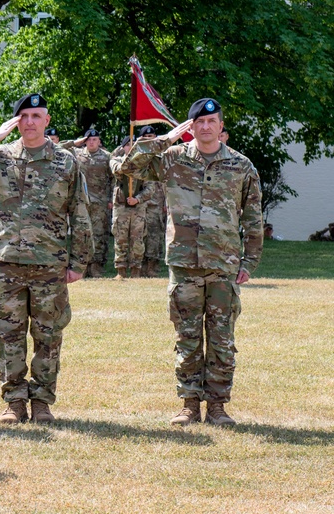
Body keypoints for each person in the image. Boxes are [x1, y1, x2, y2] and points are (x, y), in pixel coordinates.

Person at [114, 98, 262, 426]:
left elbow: (253, 216)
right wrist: (164, 140)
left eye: (212, 121)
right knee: (187, 337)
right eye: (199, 122)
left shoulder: (241, 165)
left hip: (222, 265)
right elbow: (127, 167)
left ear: (221, 127)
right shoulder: (171, 159)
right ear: (190, 127)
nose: (206, 127)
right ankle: (190, 405)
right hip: (183, 263)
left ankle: (219, 406)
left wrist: (249, 261)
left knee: (222, 338)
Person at [0, 93, 92, 424]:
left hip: (49, 263)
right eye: (23, 116)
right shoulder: (0, 156)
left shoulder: (66, 161)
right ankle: (14, 401)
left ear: (46, 120)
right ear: (17, 121)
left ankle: (42, 402)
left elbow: (81, 212)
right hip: (7, 261)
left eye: (36, 116)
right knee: (8, 333)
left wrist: (79, 261)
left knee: (49, 334)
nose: (29, 122)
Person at [59, 128, 113, 277]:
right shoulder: (77, 154)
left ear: (99, 141)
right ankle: (81, 266)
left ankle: (96, 268)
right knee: (81, 233)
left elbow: (114, 179)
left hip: (100, 203)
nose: (91, 141)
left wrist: (111, 199)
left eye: (94, 139)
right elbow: (57, 147)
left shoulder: (107, 157)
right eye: (88, 139)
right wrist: (75, 143)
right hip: (81, 201)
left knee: (99, 235)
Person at [109, 136, 152, 279]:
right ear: (123, 148)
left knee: (137, 239)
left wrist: (137, 199)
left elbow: (150, 188)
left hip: (138, 207)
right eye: (128, 145)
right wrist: (132, 162)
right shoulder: (116, 160)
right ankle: (120, 270)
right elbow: (119, 170)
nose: (131, 147)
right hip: (121, 206)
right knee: (120, 238)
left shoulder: (144, 165)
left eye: (134, 145)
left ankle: (136, 270)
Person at [137, 126, 167, 277]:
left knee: (155, 235)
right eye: (146, 136)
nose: (150, 138)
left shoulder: (162, 155)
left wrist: (167, 202)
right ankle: (139, 266)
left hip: (157, 202)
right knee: (139, 235)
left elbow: (168, 180)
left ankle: (152, 267)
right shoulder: (137, 154)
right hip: (138, 203)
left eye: (152, 135)